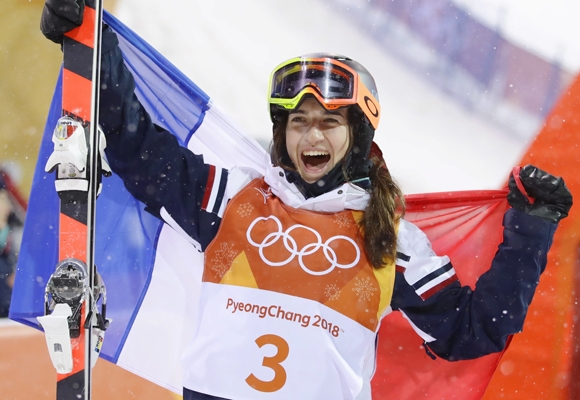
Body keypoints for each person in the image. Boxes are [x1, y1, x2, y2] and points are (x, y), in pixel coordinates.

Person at [40, 2, 573, 399]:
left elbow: (473, 328)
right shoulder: (235, 199)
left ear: (359, 135)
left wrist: (533, 226)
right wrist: (92, 47)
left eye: (330, 123)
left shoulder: (389, 238)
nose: (311, 137)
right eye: (298, 122)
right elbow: (139, 149)